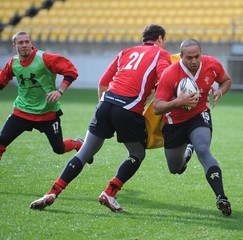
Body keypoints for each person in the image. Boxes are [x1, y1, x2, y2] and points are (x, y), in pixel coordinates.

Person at [30, 24, 171, 211]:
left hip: (105, 104)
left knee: (85, 152)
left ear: (143, 39)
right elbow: (165, 79)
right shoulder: (161, 54)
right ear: (160, 39)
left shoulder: (125, 52)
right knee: (137, 154)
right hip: (128, 109)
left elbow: (103, 82)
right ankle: (110, 192)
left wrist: (103, 107)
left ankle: (52, 192)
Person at [153, 39, 233, 216]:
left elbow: (226, 80)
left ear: (201, 53)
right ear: (181, 56)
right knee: (175, 168)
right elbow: (157, 107)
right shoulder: (170, 73)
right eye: (189, 57)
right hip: (174, 123)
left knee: (203, 149)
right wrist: (179, 101)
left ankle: (221, 197)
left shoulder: (212, 64)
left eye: (197, 56)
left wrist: (220, 90)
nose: (194, 61)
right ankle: (186, 154)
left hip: (199, 116)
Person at [0, 31, 84, 162]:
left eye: (27, 42)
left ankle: (77, 144)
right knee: (1, 142)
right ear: (14, 46)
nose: (24, 45)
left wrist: (59, 91)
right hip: (22, 111)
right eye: (20, 43)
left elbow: (71, 71)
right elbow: (2, 80)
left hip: (47, 113)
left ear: (31, 43)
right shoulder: (13, 63)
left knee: (59, 148)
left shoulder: (45, 58)